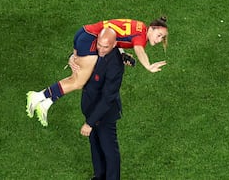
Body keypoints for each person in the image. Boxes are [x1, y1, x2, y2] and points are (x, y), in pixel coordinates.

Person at [26, 16, 168, 126]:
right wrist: (148, 66)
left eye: (162, 37)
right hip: (91, 39)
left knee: (83, 77)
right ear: (152, 28)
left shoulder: (140, 26)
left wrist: (121, 54)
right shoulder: (141, 37)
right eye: (159, 35)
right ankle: (38, 97)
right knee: (78, 82)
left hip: (85, 33)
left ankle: (46, 103)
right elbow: (138, 49)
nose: (160, 39)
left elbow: (115, 36)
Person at [80, 28, 124, 180]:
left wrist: (90, 123)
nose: (101, 49)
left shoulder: (115, 65)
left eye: (106, 46)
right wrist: (72, 60)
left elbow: (107, 98)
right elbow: (80, 56)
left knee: (109, 150)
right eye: (99, 44)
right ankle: (99, 176)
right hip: (91, 109)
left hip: (105, 115)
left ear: (114, 45)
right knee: (96, 146)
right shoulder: (94, 49)